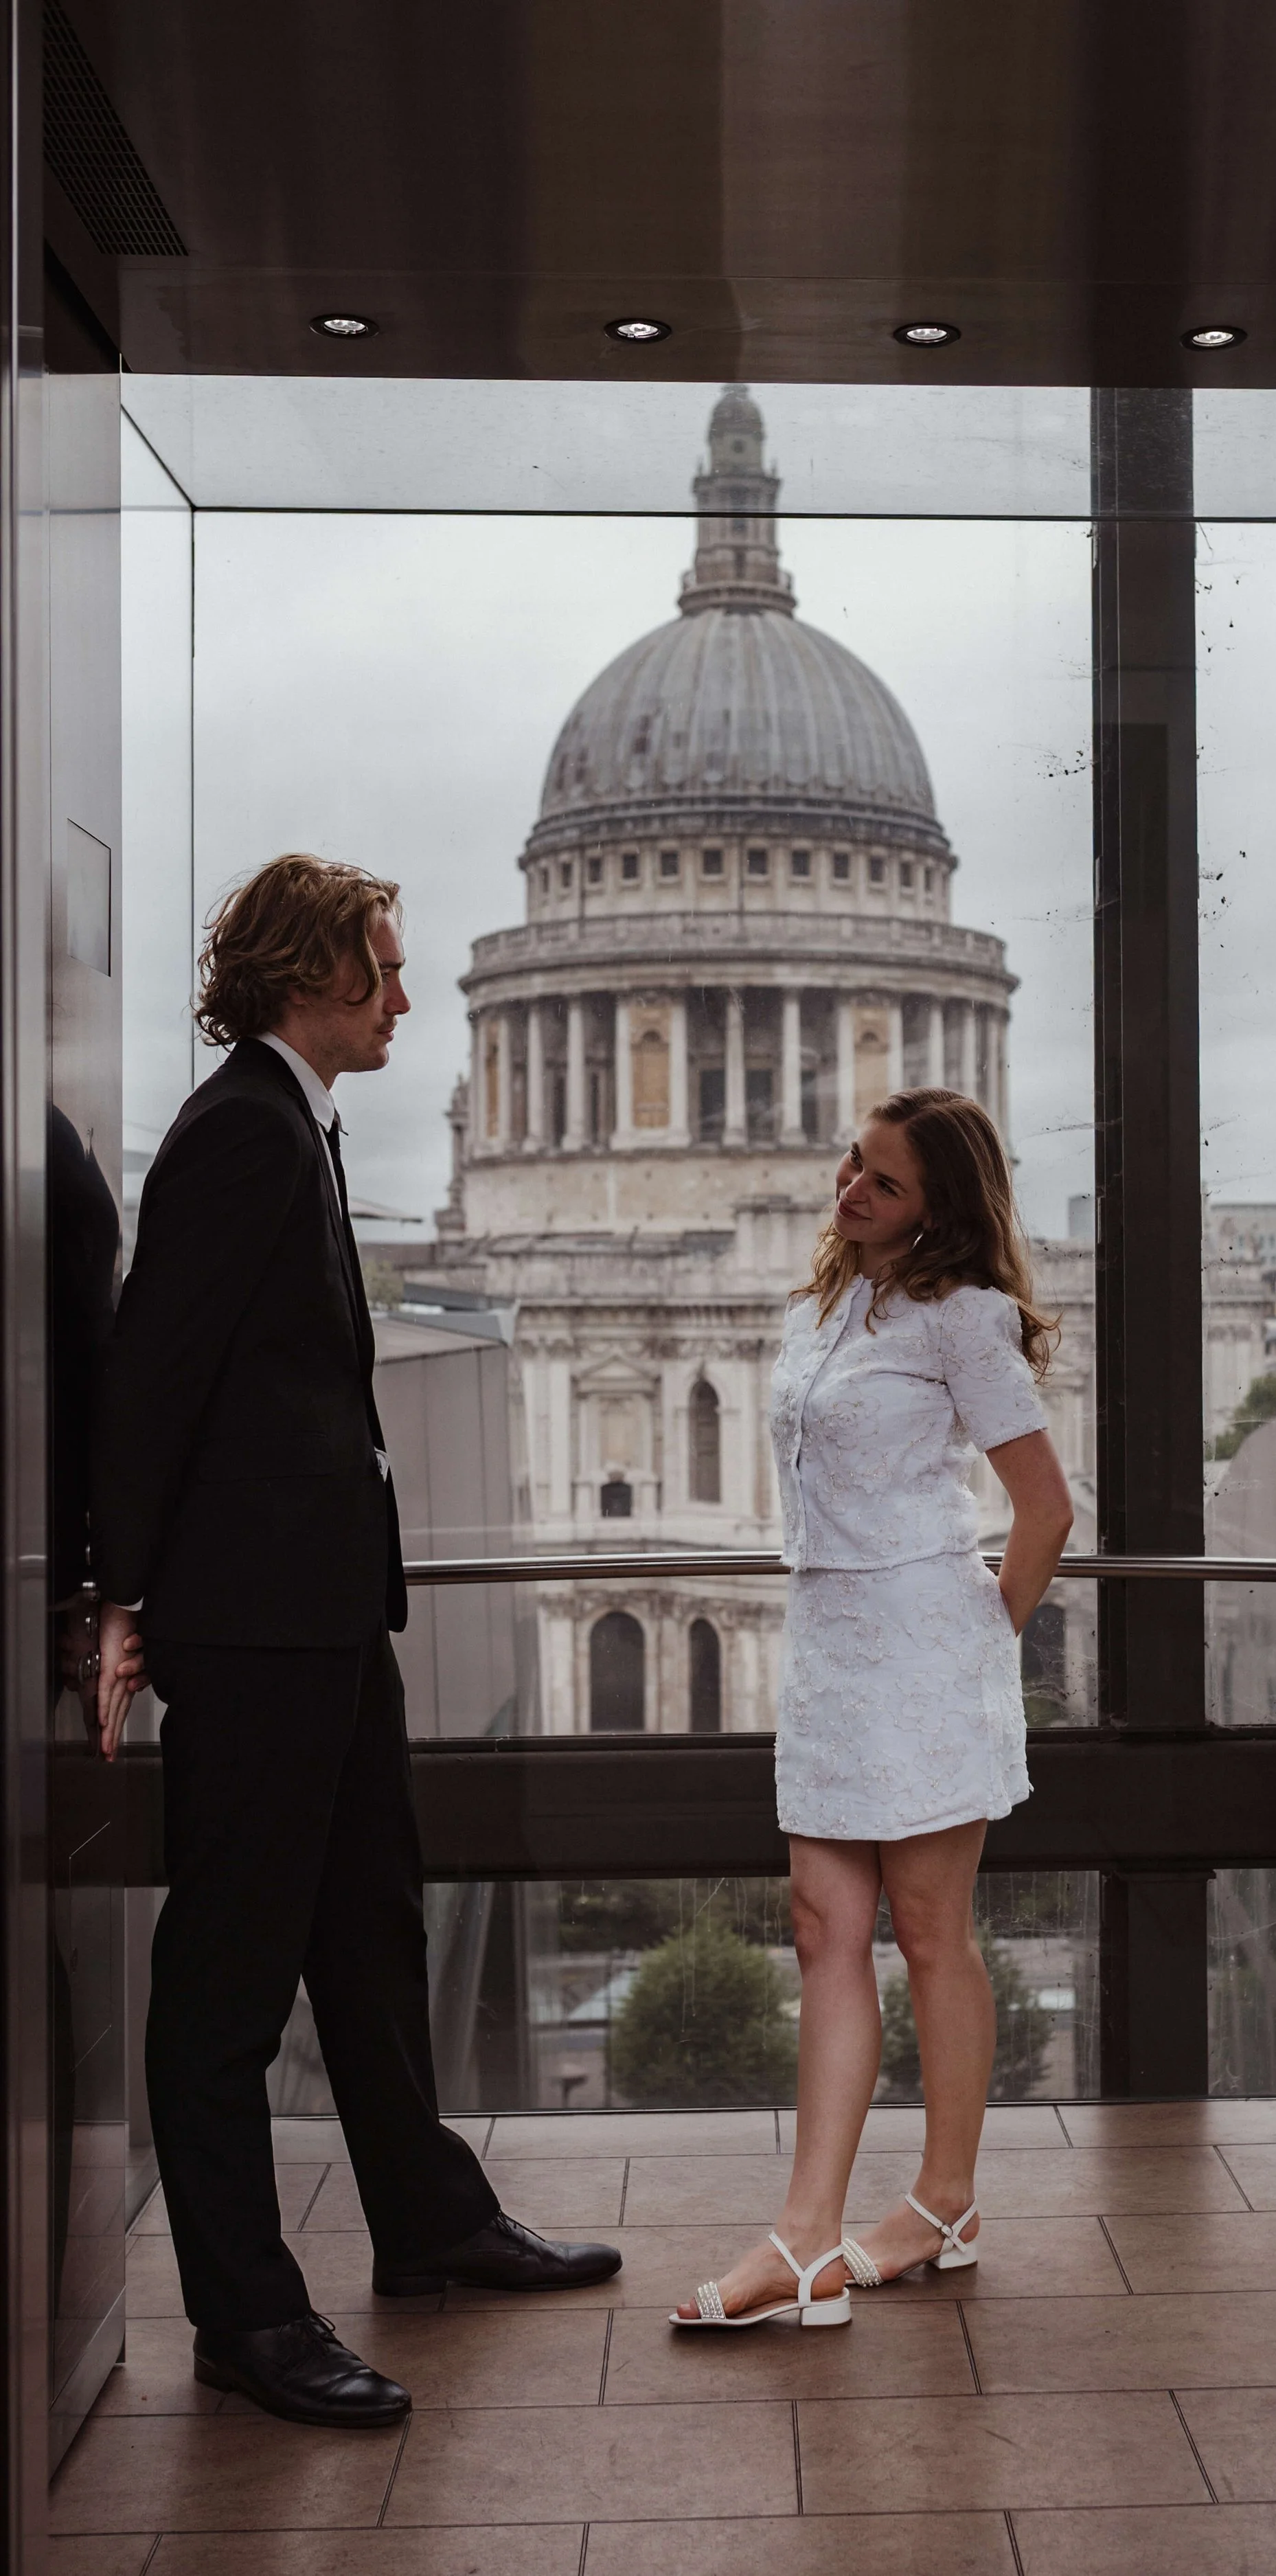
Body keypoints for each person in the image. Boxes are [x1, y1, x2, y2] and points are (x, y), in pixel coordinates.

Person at [91, 854, 621, 2428]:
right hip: (256, 1630)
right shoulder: (242, 1138)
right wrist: (123, 1603)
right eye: (383, 971)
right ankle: (247, 2320)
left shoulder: (289, 1124)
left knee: (370, 1926)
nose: (405, 998)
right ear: (312, 976)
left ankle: (429, 2216)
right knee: (229, 1983)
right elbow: (154, 1375)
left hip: (319, 1614)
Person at [674, 1087, 1074, 2328]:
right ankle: (813, 2229)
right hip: (832, 1643)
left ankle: (933, 2204)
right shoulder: (828, 1302)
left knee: (930, 1931)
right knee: (817, 1926)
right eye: (855, 1164)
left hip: (919, 1642)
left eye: (885, 1182)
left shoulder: (965, 1322)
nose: (852, 1189)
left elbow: (1047, 1508)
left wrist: (975, 1640)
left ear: (939, 1209)